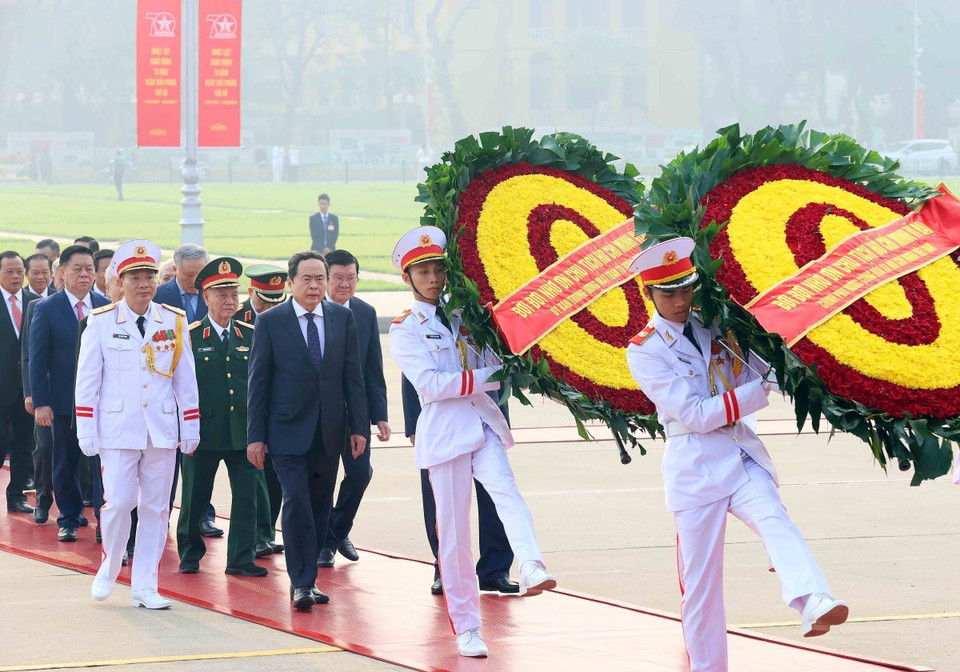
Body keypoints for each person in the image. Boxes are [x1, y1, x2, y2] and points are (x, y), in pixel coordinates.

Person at [625, 237, 848, 672]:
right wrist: (756, 390)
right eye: (668, 293)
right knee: (701, 588)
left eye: (686, 289)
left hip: (741, 452)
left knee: (776, 521)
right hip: (695, 467)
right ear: (647, 294)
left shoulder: (719, 328)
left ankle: (812, 598)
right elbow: (694, 413)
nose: (680, 300)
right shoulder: (644, 349)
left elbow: (765, 370)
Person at [388, 226, 555, 658]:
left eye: (437, 269)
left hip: (481, 423)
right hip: (444, 433)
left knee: (506, 490)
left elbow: (496, 356)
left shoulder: (468, 315)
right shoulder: (406, 329)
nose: (432, 278)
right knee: (456, 537)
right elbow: (432, 383)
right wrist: (494, 375)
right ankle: (467, 627)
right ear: (408, 279)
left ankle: (532, 563)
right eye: (422, 271)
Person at [75, 239, 200, 608]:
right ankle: (110, 564)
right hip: (117, 430)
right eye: (136, 277)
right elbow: (87, 380)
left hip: (160, 430)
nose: (144, 284)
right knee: (120, 502)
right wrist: (87, 428)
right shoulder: (100, 322)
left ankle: (145, 585)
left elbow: (185, 380)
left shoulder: (173, 321)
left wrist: (189, 427)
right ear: (119, 281)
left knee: (156, 510)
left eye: (149, 277)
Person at [246, 251, 367, 611]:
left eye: (319, 278)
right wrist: (256, 436)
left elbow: (352, 378)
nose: (314, 285)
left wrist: (358, 427)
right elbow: (258, 382)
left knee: (317, 508)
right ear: (290, 283)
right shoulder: (271, 322)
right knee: (296, 501)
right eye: (306, 279)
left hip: (329, 431)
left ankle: (309, 580)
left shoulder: (342, 319)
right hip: (285, 432)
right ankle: (300, 583)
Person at [177, 258, 266, 578]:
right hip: (203, 432)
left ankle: (241, 557)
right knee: (194, 498)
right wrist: (182, 429)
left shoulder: (250, 334)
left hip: (242, 432)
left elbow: (261, 384)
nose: (230, 300)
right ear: (205, 297)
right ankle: (189, 553)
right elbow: (179, 387)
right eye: (222, 294)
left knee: (247, 498)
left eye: (234, 294)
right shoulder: (189, 336)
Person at [401, 375, 517, 595]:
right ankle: (445, 570)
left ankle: (496, 569)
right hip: (440, 421)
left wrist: (503, 420)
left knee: (495, 495)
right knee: (441, 502)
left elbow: (496, 365)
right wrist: (414, 423)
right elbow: (411, 371)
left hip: (485, 416)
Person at [28, 245, 109, 542]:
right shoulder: (46, 308)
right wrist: (42, 403)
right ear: (62, 272)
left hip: (101, 402)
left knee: (102, 463)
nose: (85, 274)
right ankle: (69, 517)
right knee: (64, 461)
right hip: (63, 402)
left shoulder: (106, 305)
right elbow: (37, 359)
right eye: (78, 268)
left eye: (90, 268)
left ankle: (104, 518)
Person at [317, 250, 390, 567]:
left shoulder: (365, 312)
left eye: (351, 278)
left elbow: (373, 367)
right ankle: (323, 542)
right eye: (338, 278)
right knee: (322, 481)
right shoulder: (312, 313)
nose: (345, 284)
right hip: (320, 415)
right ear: (327, 279)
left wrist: (380, 415)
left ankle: (336, 530)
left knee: (360, 473)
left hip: (356, 414)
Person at [155, 243, 219, 536]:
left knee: (201, 460)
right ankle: (161, 514)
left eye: (200, 273)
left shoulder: (216, 293)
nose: (195, 280)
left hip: (206, 390)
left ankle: (203, 515)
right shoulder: (159, 296)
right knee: (167, 464)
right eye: (189, 274)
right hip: (167, 390)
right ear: (175, 269)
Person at [234, 264, 287, 558]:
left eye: (277, 299)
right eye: (266, 299)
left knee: (274, 478)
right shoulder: (238, 318)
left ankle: (266, 532)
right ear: (252, 292)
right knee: (251, 479)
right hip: (246, 411)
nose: (271, 306)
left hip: (276, 410)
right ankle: (252, 535)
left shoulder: (283, 318)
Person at [0, 251, 39, 514]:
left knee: (24, 444)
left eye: (18, 271)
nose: (15, 276)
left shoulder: (35, 302)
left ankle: (16, 496)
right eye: (9, 272)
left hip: (26, 388)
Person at [20, 285, 52, 524]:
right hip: (46, 391)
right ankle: (42, 500)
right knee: (44, 448)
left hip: (82, 393)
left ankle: (75, 505)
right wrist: (32, 393)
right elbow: (29, 355)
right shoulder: (39, 306)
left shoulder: (98, 304)